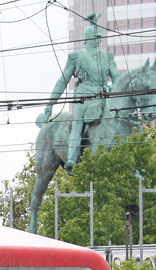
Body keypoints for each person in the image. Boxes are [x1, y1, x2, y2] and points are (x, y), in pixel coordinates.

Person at [43, 14, 120, 172]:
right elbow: (62, 81)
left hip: (104, 98)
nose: (98, 39)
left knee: (117, 119)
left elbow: (117, 77)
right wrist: (50, 104)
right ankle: (71, 158)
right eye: (96, 36)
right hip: (83, 99)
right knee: (77, 124)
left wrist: (113, 88)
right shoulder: (76, 57)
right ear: (89, 38)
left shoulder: (107, 56)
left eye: (100, 36)